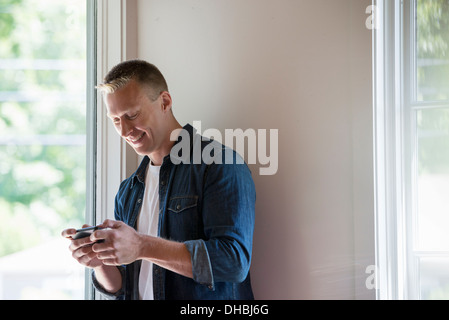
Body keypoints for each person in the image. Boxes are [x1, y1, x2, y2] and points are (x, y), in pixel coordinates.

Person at [61, 60, 256, 300]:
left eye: (131, 115)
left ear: (165, 102)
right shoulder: (129, 189)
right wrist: (99, 261)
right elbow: (123, 286)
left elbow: (233, 262)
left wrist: (142, 246)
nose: (124, 131)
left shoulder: (218, 164)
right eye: (115, 120)